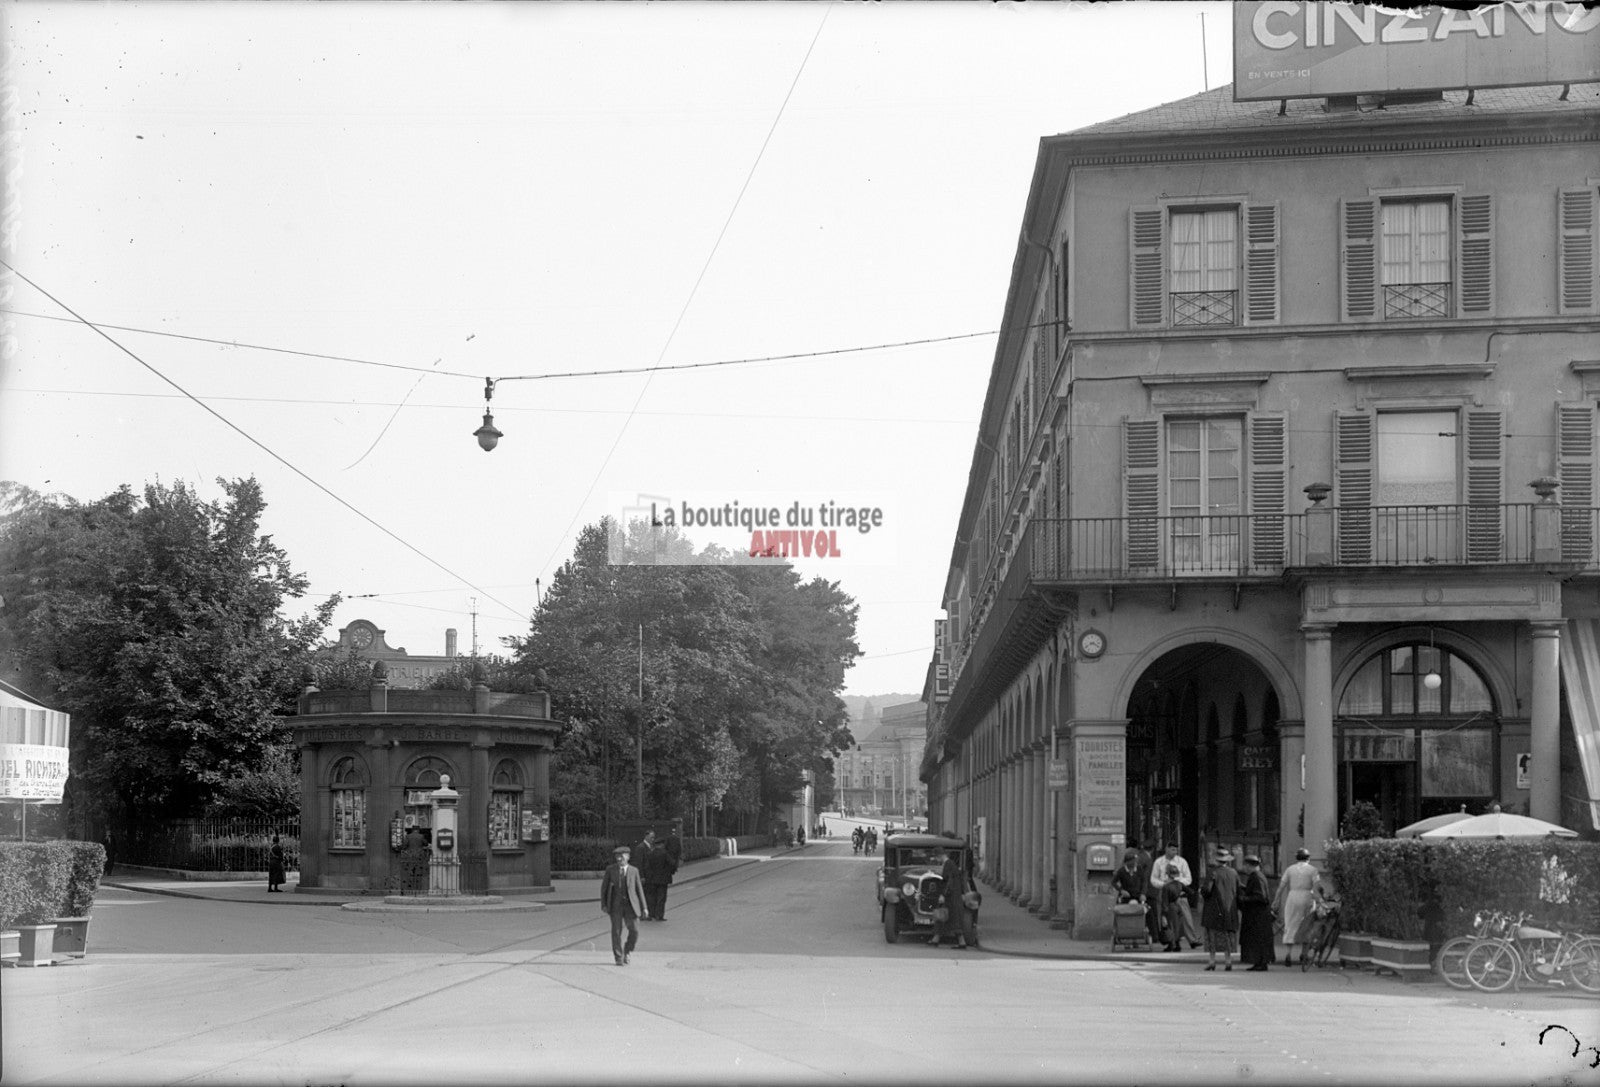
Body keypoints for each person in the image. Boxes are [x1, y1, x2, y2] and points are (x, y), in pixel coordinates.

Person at [599, 844, 648, 965]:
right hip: (615, 906)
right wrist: (604, 904)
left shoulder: (634, 871)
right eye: (617, 856)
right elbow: (604, 888)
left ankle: (628, 950)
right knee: (616, 931)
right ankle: (618, 957)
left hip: (631, 906)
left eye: (621, 856)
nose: (619, 859)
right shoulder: (610, 870)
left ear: (628, 857)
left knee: (634, 931)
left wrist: (644, 907)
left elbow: (639, 890)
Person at [1274, 847, 1322, 965]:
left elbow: (1281, 886)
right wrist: (1320, 899)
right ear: (1308, 858)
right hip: (1307, 896)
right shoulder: (1313, 870)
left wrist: (1276, 899)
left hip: (1293, 896)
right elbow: (1316, 887)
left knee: (1290, 923)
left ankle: (1288, 954)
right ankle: (1303, 954)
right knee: (1307, 925)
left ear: (1297, 858)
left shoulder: (1290, 869)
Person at [1149, 842, 1198, 950]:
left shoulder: (1182, 862)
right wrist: (1164, 884)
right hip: (1164, 893)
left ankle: (1189, 940)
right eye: (1172, 849)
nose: (1174, 852)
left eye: (1176, 850)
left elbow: (1188, 879)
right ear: (1166, 849)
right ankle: (1171, 941)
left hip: (1179, 895)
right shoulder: (1158, 862)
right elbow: (1153, 879)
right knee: (1167, 920)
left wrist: (1177, 883)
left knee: (1184, 919)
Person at [1200, 849, 1240, 971]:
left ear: (1217, 860)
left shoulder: (1213, 872)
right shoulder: (1233, 873)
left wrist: (1201, 891)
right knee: (1227, 935)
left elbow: (1207, 891)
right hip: (1229, 910)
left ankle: (1212, 961)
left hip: (1214, 909)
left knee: (1212, 935)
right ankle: (1228, 961)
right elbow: (1238, 889)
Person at [1236, 854, 1275, 971]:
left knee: (1258, 940)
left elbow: (1261, 896)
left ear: (1249, 866)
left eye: (1245, 866)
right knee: (1257, 940)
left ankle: (1261, 962)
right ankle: (1259, 962)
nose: (1244, 868)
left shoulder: (1256, 877)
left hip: (1258, 915)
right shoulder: (1257, 876)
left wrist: (1244, 898)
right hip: (1258, 914)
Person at [930, 849, 971, 949]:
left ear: (940, 855)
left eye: (936, 857)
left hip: (951, 897)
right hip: (954, 896)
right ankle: (936, 939)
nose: (936, 860)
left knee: (946, 916)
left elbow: (948, 881)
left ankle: (960, 942)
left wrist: (943, 895)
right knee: (946, 917)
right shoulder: (951, 864)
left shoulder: (948, 864)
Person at [640, 832, 675, 921]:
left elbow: (646, 866)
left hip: (652, 879)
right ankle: (659, 915)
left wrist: (647, 876)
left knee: (652, 897)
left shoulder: (650, 854)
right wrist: (670, 872)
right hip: (663, 880)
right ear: (662, 844)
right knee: (661, 898)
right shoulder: (665, 854)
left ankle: (651, 914)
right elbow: (672, 864)